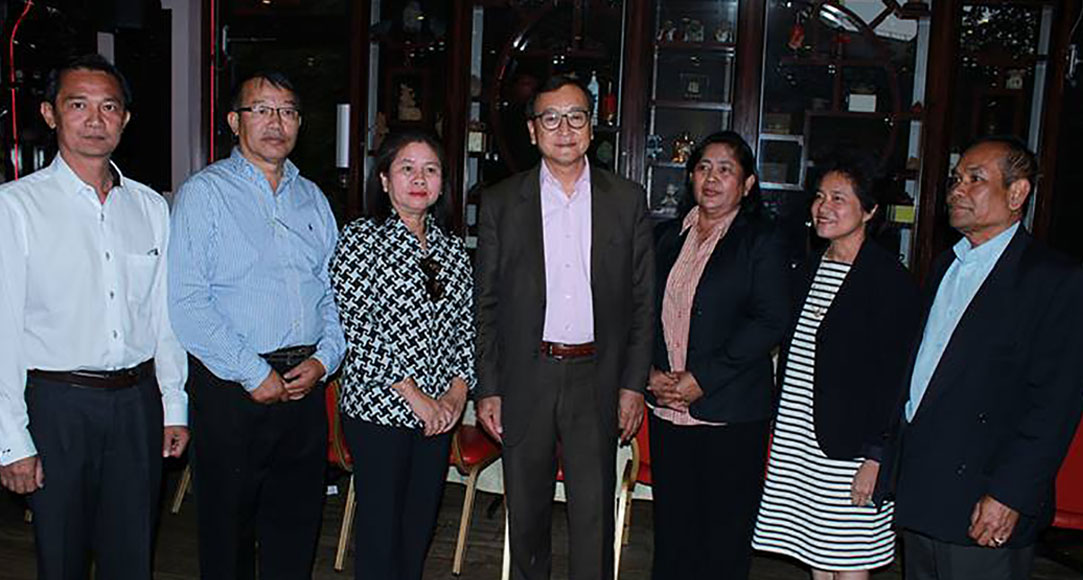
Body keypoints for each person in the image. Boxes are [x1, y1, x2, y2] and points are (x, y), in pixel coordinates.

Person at [0, 54, 189, 579]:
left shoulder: (150, 207)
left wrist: (173, 404)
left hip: (136, 404)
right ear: (50, 113)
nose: (95, 119)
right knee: (61, 557)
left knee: (132, 556)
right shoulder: (15, 207)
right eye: (78, 105)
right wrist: (10, 440)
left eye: (108, 107)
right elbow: (3, 331)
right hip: (57, 404)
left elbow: (163, 317)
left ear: (125, 118)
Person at [474, 75, 654, 580]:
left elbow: (643, 303)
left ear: (592, 128)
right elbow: (485, 304)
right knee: (527, 513)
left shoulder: (626, 200)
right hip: (526, 376)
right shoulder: (502, 202)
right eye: (551, 118)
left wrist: (631, 385)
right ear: (533, 131)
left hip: (597, 376)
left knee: (593, 515)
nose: (565, 129)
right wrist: (489, 387)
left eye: (576, 117)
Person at [168, 71, 346, 579]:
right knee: (228, 532)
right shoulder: (205, 193)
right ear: (234, 121)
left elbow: (334, 295)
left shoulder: (312, 198)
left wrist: (324, 360)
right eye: (262, 110)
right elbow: (187, 302)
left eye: (287, 111)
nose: (276, 122)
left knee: (297, 526)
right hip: (231, 385)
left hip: (304, 385)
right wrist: (253, 372)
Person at [884, 136, 1083, 580]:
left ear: (1017, 193)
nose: (957, 189)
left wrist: (1010, 495)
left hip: (984, 497)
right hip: (925, 487)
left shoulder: (1052, 279)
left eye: (976, 179)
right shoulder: (945, 266)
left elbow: (1055, 406)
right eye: (956, 179)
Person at [751, 154, 921, 579]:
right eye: (820, 196)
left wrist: (876, 457)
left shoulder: (888, 280)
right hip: (801, 438)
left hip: (852, 447)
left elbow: (897, 379)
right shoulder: (810, 267)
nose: (823, 207)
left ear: (870, 210)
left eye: (839, 198)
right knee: (817, 552)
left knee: (849, 557)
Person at [329, 130, 475, 580]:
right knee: (381, 531)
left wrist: (456, 394)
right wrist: (415, 396)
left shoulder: (452, 248)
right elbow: (359, 328)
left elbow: (466, 327)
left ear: (442, 183)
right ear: (384, 180)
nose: (419, 179)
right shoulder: (360, 239)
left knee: (418, 527)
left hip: (438, 414)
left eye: (430, 170)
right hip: (381, 409)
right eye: (406, 168)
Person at [646, 131, 789, 580]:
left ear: (747, 184)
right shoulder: (666, 237)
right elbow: (639, 311)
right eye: (704, 167)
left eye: (726, 169)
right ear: (690, 176)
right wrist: (649, 373)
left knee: (723, 540)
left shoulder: (763, 240)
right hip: (666, 409)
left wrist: (701, 379)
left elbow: (770, 321)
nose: (712, 178)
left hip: (730, 413)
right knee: (673, 534)